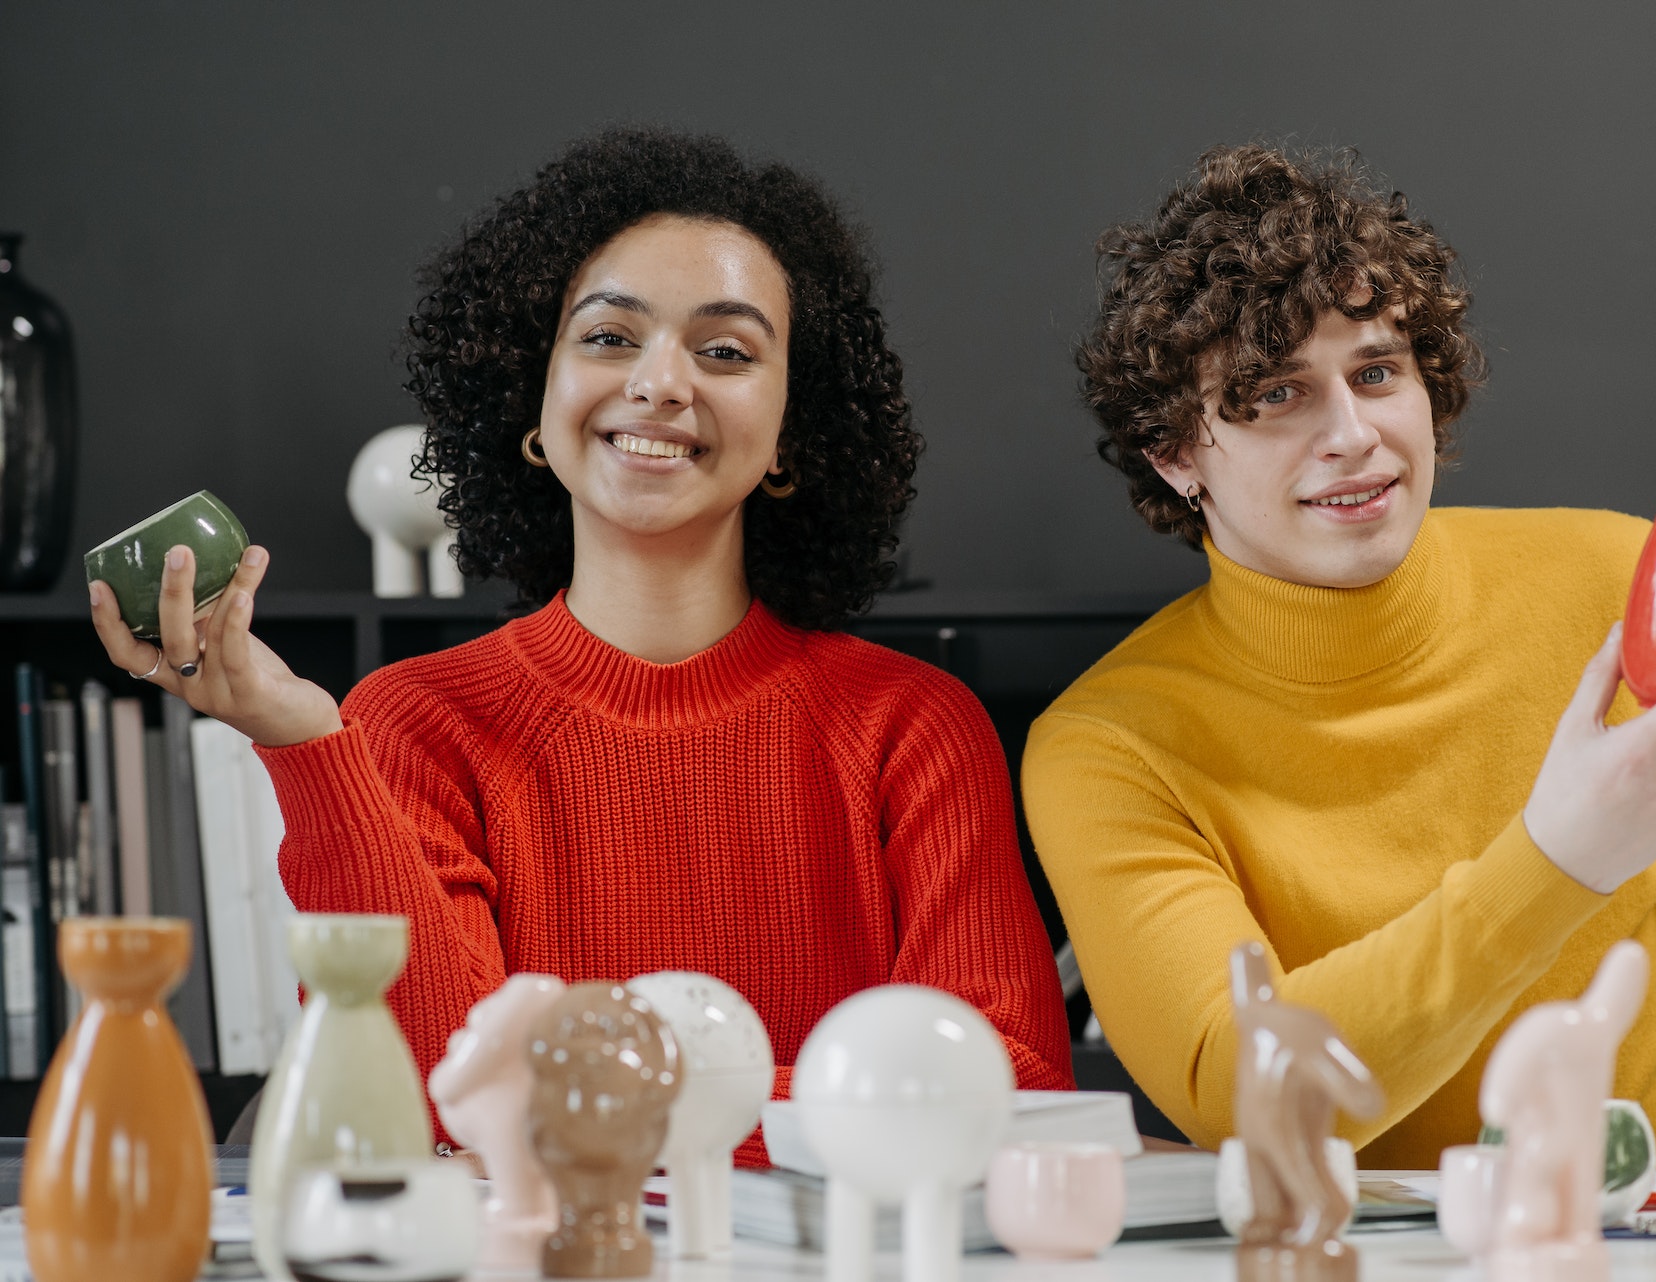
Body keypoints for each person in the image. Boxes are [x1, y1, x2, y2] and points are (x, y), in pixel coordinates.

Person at [89, 127, 1073, 1159]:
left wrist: (586, 1091)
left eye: (726, 351)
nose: (660, 382)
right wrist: (304, 744)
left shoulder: (913, 727)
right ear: (535, 394)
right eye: (608, 336)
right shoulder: (413, 722)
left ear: (792, 430)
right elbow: (430, 1102)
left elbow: (1019, 1083)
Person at [1023, 142, 1656, 1168]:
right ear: (1176, 454)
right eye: (1273, 394)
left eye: (1376, 373)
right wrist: (1562, 859)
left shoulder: (1618, 583)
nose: (1353, 434)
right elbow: (1240, 1092)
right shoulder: (1107, 747)